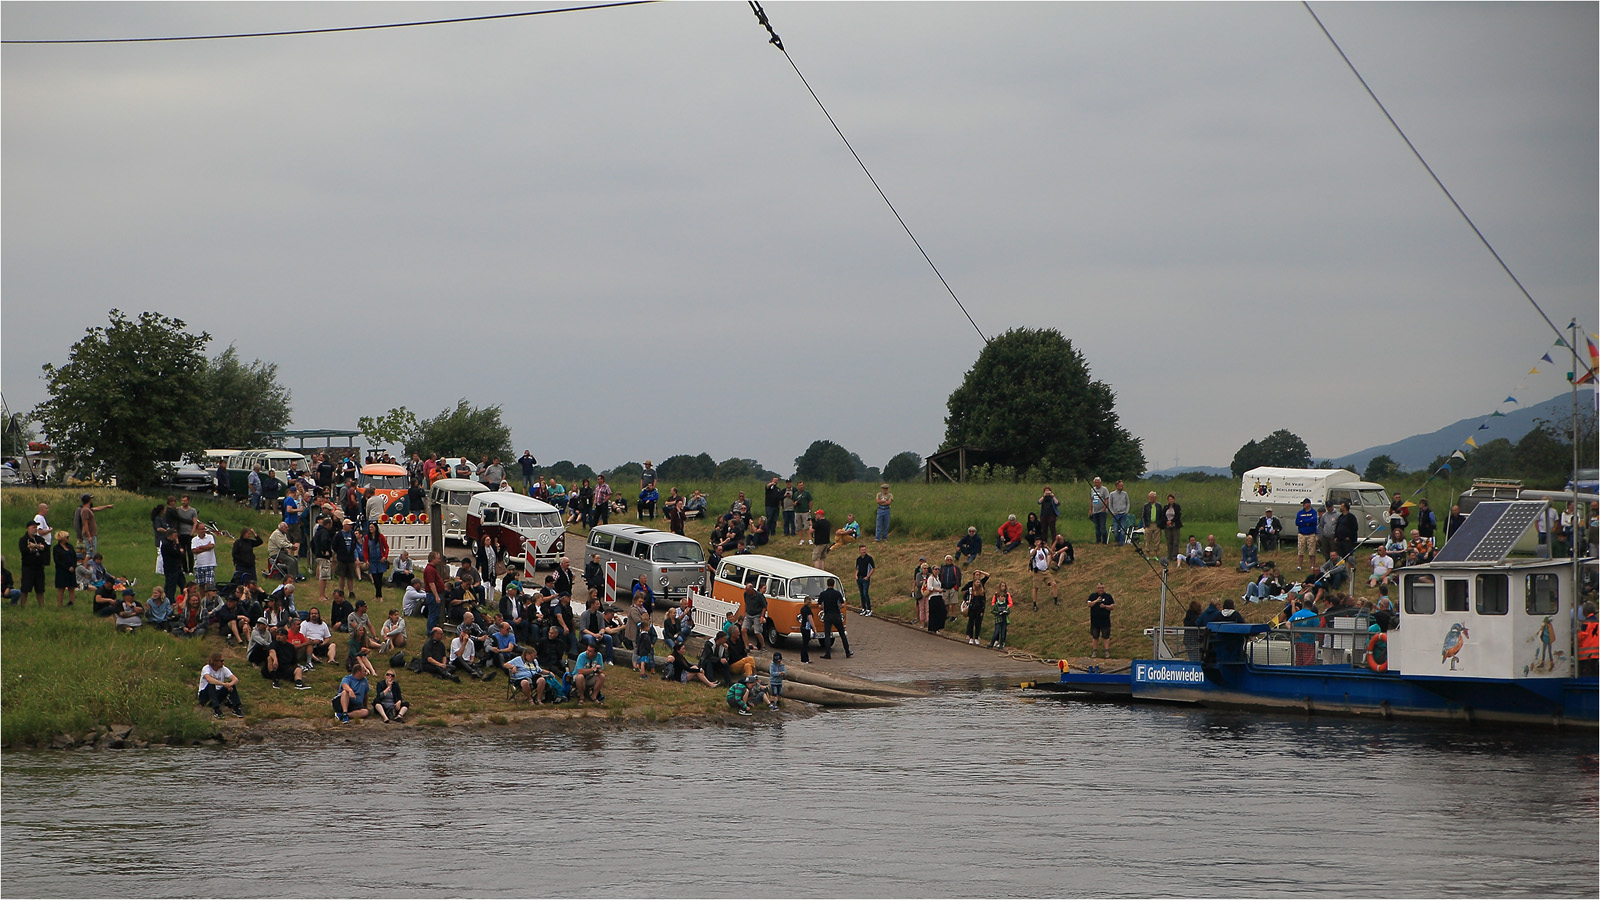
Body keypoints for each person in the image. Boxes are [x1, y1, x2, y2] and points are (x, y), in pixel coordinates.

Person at [198, 651, 245, 719]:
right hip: (205, 696)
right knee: (211, 685)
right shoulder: (206, 668)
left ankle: (236, 707)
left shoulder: (224, 669)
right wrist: (223, 684)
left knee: (231, 685)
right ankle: (216, 709)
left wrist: (229, 684)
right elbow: (209, 679)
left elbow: (235, 679)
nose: (223, 663)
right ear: (215, 661)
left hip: (217, 694)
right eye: (221, 661)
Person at [18, 522, 49, 606]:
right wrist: (36, 547)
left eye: (36, 527)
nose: (35, 529)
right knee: (25, 587)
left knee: (40, 588)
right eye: (33, 527)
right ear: (28, 528)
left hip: (39, 567)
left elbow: (45, 547)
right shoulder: (23, 540)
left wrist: (35, 546)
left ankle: (41, 604)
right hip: (28, 567)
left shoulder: (39, 539)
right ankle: (23, 605)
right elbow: (24, 550)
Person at [73, 493, 114, 557]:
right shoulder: (83, 510)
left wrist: (107, 506)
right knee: (87, 553)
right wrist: (80, 536)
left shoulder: (88, 509)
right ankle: (86, 566)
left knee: (89, 553)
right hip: (86, 535)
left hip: (90, 534)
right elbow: (79, 524)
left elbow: (97, 508)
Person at [818, 577, 850, 659]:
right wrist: (838, 607)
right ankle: (847, 652)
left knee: (827, 635)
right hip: (836, 615)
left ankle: (828, 653)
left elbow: (819, 606)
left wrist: (824, 608)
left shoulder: (823, 594)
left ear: (827, 584)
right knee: (842, 634)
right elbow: (843, 604)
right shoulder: (837, 593)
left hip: (828, 616)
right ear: (834, 584)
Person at [1086, 583, 1115, 659]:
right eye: (1099, 588)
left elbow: (1112, 607)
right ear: (1097, 588)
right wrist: (1096, 601)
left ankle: (1106, 651)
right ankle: (1095, 651)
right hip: (1095, 621)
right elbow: (1089, 604)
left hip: (1105, 620)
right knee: (1095, 636)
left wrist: (1105, 606)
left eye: (1102, 588)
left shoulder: (1108, 596)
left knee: (1106, 636)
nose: (1101, 589)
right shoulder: (1093, 596)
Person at [52, 530, 79, 607]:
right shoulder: (56, 548)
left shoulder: (70, 547)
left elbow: (74, 557)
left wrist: (73, 566)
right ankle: (60, 604)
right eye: (67, 537)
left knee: (71, 587)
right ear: (62, 538)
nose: (68, 538)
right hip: (61, 570)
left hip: (71, 570)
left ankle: (72, 603)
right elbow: (57, 560)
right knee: (61, 588)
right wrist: (67, 567)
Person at [962, 569, 989, 645]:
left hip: (979, 609)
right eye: (976, 582)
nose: (978, 583)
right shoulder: (970, 590)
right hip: (972, 608)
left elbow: (983, 602)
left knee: (978, 624)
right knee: (971, 622)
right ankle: (970, 637)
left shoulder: (982, 591)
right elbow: (964, 595)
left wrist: (982, 611)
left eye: (979, 582)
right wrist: (967, 600)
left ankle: (976, 637)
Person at [1028, 540, 1055, 611]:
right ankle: (1034, 604)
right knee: (1036, 588)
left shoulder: (1044, 550)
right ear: (1034, 543)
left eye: (1039, 541)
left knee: (1053, 584)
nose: (1039, 543)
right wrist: (1037, 547)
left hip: (1045, 571)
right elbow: (1031, 555)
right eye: (1037, 541)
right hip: (1038, 572)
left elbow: (1052, 553)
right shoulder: (1033, 550)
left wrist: (1047, 547)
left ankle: (1056, 599)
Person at [741, 580, 768, 651]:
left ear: (752, 590)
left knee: (757, 632)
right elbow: (746, 603)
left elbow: (764, 607)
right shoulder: (746, 594)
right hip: (748, 614)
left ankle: (763, 646)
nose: (746, 592)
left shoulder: (759, 596)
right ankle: (746, 647)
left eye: (747, 590)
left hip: (757, 615)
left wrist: (762, 616)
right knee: (743, 630)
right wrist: (745, 612)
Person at [1294, 498, 1318, 570]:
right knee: (1300, 551)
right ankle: (1299, 565)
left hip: (1311, 534)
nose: (1303, 505)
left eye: (1304, 504)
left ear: (1308, 504)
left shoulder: (1313, 512)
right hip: (1302, 534)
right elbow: (1297, 522)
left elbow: (1313, 521)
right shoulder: (1300, 513)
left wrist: (1303, 521)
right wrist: (1306, 522)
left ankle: (1312, 565)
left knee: (1312, 551)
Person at [989, 584, 1013, 650]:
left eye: (1003, 597)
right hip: (998, 620)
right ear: (998, 597)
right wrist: (998, 613)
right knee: (996, 631)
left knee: (1003, 632)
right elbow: (993, 611)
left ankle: (1001, 644)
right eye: (1001, 597)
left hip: (1004, 619)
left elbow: (1008, 611)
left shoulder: (1006, 605)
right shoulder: (996, 605)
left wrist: (1006, 612)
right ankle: (992, 643)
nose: (1002, 598)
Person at [1160, 494, 1183, 564]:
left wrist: (1171, 521)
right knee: (1169, 541)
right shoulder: (1166, 507)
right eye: (1169, 499)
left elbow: (1178, 516)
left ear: (1174, 499)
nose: (1171, 500)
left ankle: (1174, 556)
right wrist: (1167, 521)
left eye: (1172, 499)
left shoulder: (1177, 507)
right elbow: (1163, 515)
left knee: (1175, 541)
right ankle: (1169, 555)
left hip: (1175, 526)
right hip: (1167, 526)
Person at [1109, 480, 1132, 546]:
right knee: (1116, 529)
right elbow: (1110, 504)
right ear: (1117, 486)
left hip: (1123, 514)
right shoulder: (1112, 494)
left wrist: (1126, 511)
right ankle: (1117, 541)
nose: (1122, 487)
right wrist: (1113, 512)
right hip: (1116, 514)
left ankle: (1121, 543)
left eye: (1122, 485)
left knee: (1122, 529)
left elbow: (1128, 503)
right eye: (1121, 485)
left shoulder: (1125, 494)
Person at [1089, 477, 1111, 544]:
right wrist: (1090, 509)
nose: (1097, 484)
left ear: (1100, 483)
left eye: (1098, 482)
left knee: (1102, 526)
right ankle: (1098, 540)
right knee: (1096, 526)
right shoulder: (1092, 489)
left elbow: (1107, 499)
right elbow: (1091, 500)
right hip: (1095, 510)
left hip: (1102, 511)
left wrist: (1104, 508)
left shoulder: (1104, 489)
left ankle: (1104, 541)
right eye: (1095, 482)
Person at [855, 545, 875, 616]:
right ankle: (864, 608)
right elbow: (857, 568)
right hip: (859, 578)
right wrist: (856, 575)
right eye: (862, 550)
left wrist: (868, 576)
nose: (864, 551)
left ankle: (869, 609)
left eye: (864, 550)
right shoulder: (858, 559)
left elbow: (873, 568)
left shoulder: (869, 558)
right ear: (859, 550)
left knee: (865, 593)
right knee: (861, 594)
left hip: (865, 578)